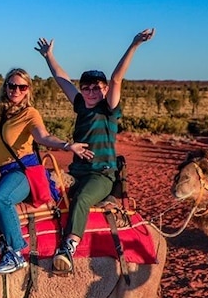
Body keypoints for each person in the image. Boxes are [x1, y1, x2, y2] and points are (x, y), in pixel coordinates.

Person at [0, 55, 92, 274]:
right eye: (12, 86)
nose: (16, 90)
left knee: (2, 198)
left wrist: (67, 145)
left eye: (22, 87)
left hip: (22, 171)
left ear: (28, 90)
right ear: (6, 87)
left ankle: (15, 252)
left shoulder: (30, 114)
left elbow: (43, 136)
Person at [35, 28, 155, 273]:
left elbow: (117, 79)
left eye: (96, 88)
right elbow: (62, 80)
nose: (91, 92)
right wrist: (49, 56)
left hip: (101, 174)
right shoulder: (81, 104)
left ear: (104, 90)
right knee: (46, 188)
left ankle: (69, 246)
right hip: (77, 170)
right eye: (86, 88)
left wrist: (134, 44)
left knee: (80, 199)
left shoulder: (109, 108)